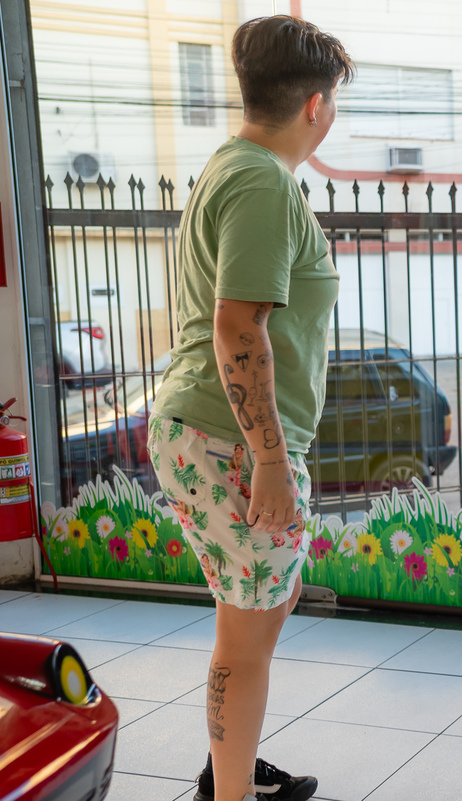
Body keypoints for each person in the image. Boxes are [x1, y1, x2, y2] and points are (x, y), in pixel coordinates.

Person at [145, 16, 353, 801]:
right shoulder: (263, 180)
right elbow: (238, 324)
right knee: (247, 635)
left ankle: (226, 768)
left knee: (264, 603)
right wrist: (270, 460)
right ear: (315, 105)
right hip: (229, 435)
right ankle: (227, 794)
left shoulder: (234, 168)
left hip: (211, 428)